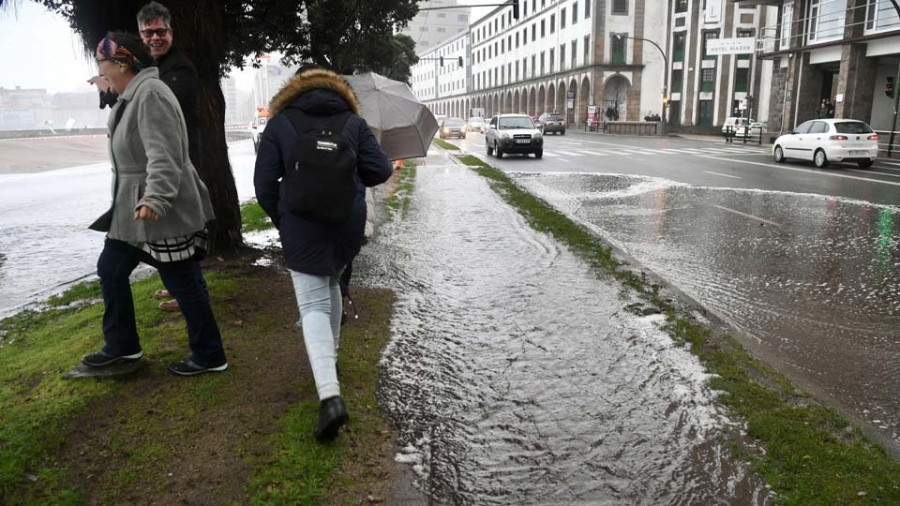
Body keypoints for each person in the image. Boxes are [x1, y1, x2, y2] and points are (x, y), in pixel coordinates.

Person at [254, 65, 393, 441]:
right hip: (346, 222)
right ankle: (328, 361)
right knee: (331, 279)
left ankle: (330, 398)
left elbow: (263, 183)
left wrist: (282, 217)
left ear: (293, 90)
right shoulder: (352, 121)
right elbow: (380, 170)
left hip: (301, 223)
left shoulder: (281, 122)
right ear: (337, 90)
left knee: (312, 303)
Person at [82, 31, 227, 376]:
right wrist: (109, 95)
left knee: (183, 283)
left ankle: (209, 356)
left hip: (159, 208)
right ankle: (123, 347)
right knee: (111, 269)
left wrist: (156, 198)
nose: (100, 71)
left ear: (121, 63)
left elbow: (165, 155)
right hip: (132, 211)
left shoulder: (151, 95)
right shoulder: (135, 93)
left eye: (102, 64)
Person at [89, 1, 203, 313]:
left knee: (182, 271)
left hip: (168, 180)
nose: (154, 37)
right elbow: (134, 115)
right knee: (127, 268)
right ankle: (125, 345)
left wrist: (156, 196)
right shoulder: (146, 78)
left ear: (171, 32)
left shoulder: (169, 75)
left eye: (160, 31)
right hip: (143, 192)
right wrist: (113, 87)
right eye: (147, 33)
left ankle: (207, 349)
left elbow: (158, 127)